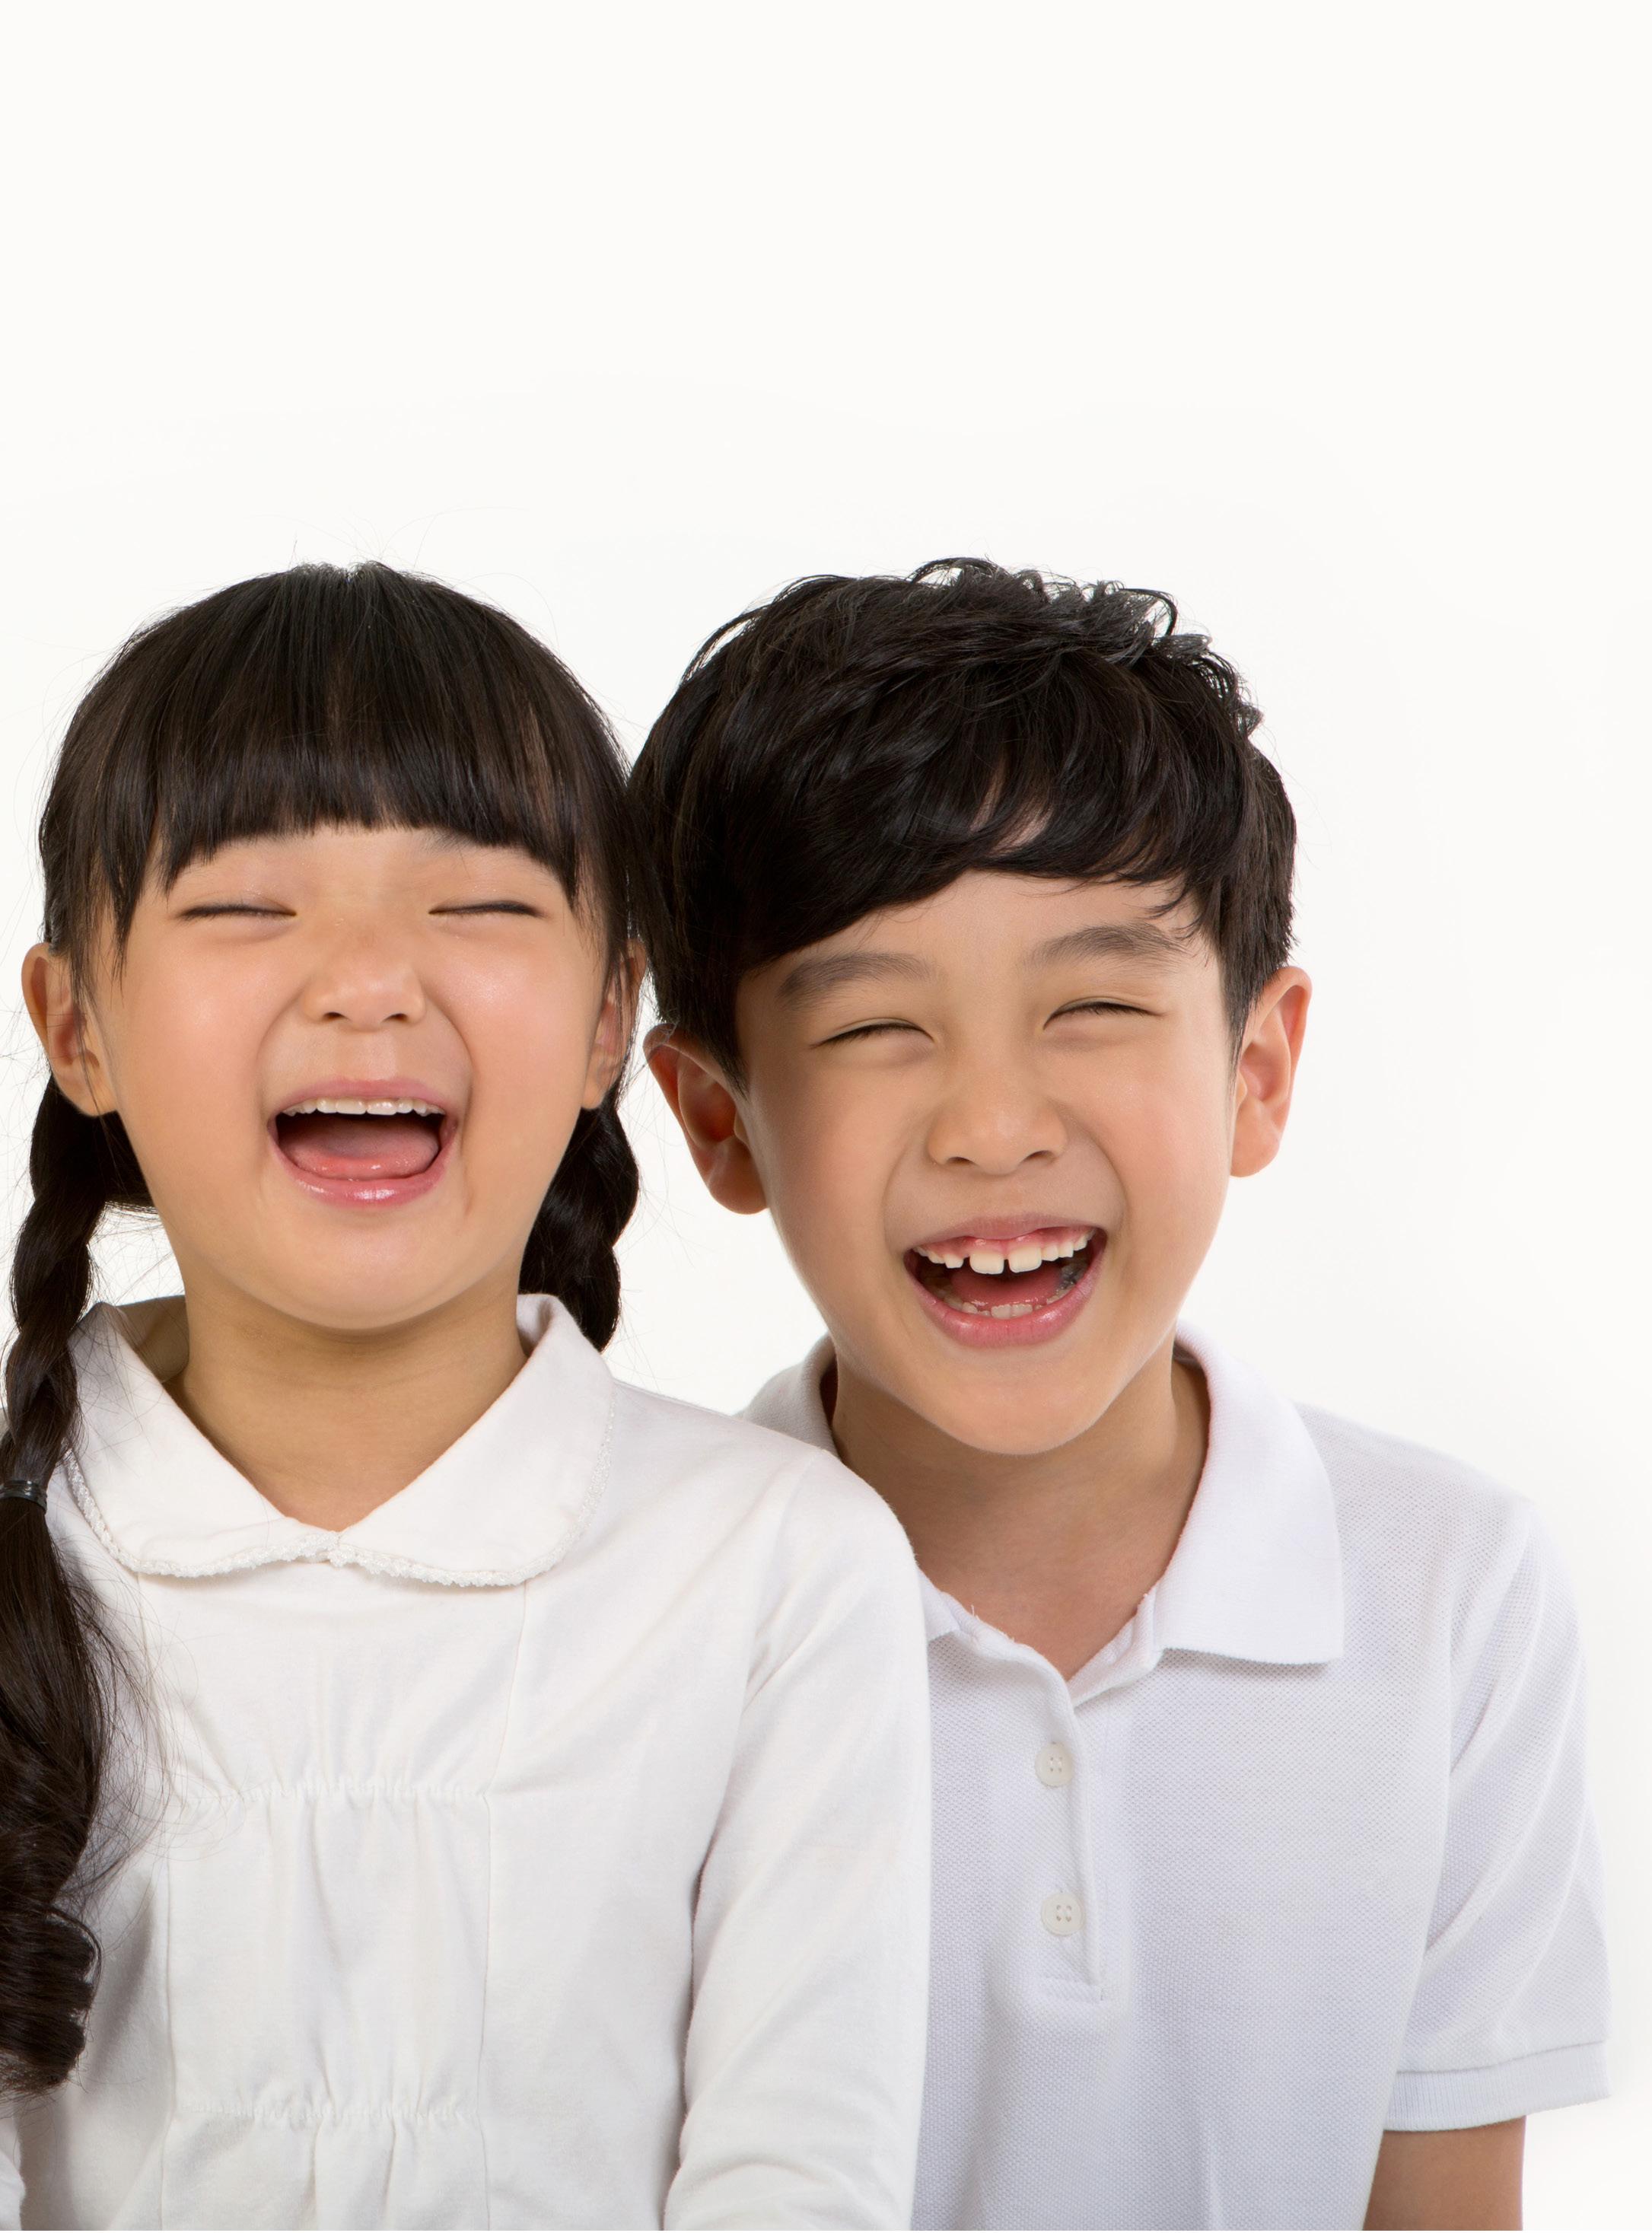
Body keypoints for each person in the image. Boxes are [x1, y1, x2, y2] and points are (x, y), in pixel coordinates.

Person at [630, 559, 1610, 2233]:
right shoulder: (638, 1612)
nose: (993, 1126)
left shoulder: (1451, 1588)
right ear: (721, 1121)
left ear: (1258, 1070)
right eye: (875, 1026)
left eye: (1091, 1007)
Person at [0, 563, 930, 2232]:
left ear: (607, 1019)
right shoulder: (24, 1546)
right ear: (77, 1027)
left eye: (480, 904)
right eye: (247, 905)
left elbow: (799, 2182)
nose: (369, 981)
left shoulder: (779, 1567)